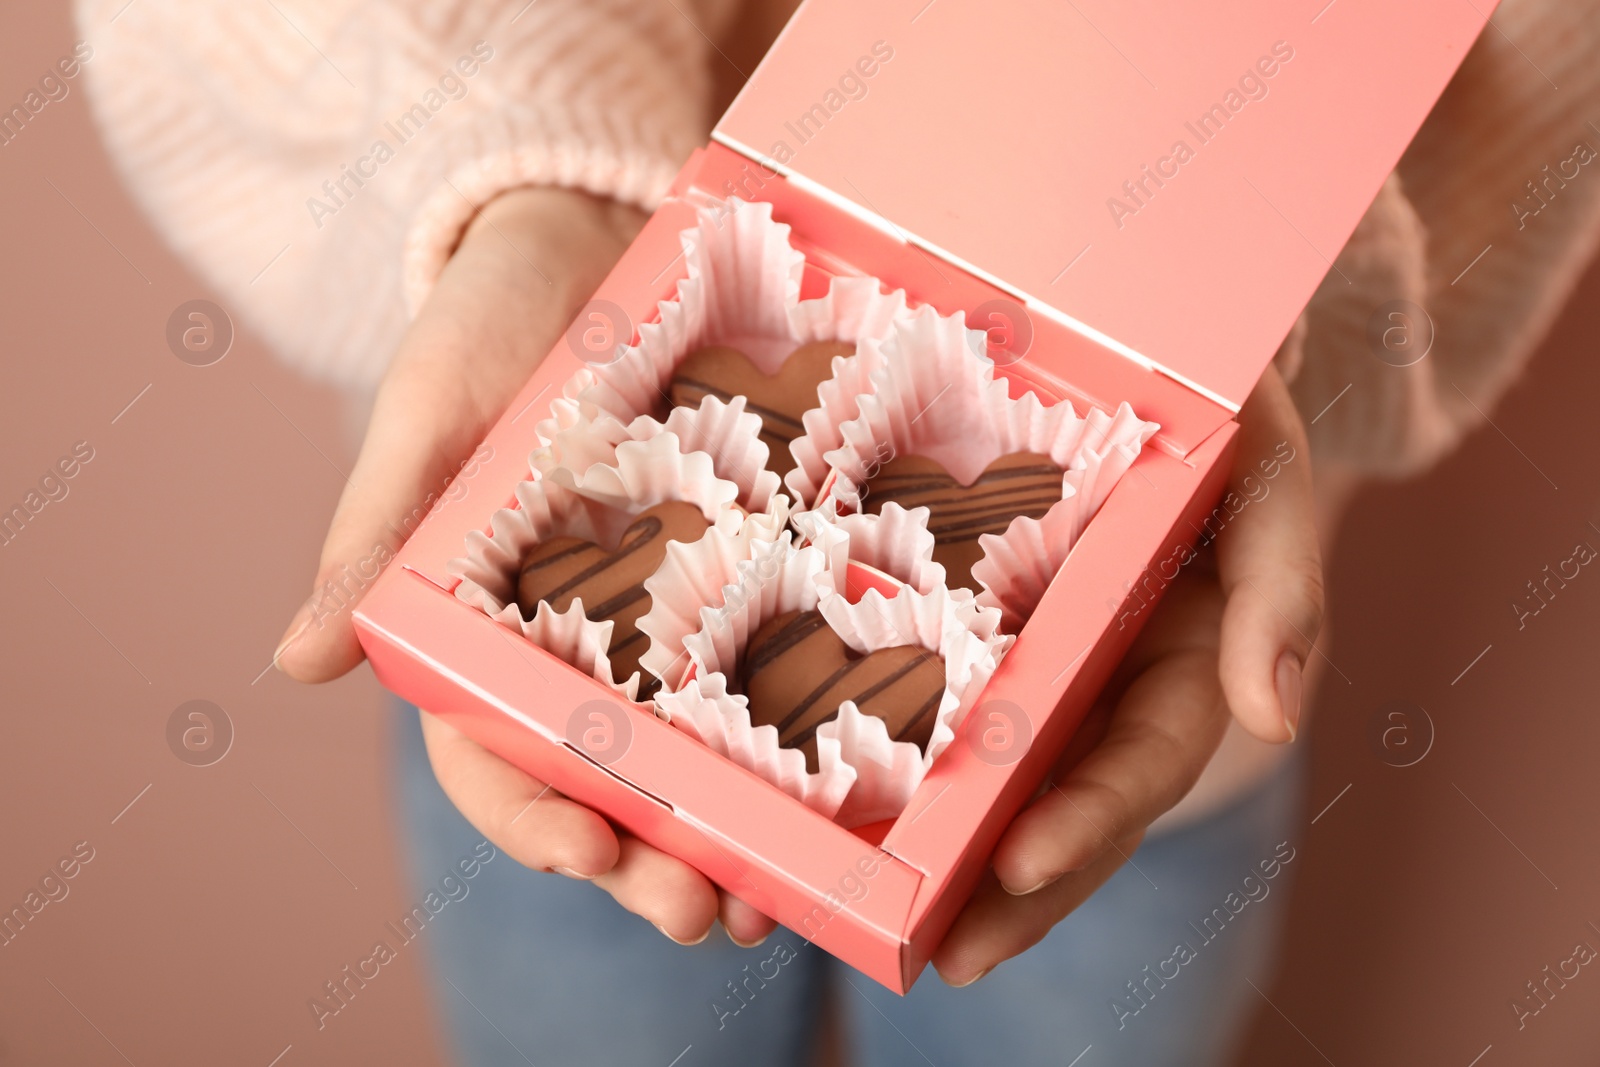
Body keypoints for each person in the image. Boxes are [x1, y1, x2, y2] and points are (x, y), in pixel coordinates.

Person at [76, 0, 1600, 1063]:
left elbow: (1514, 87)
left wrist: (1223, 288)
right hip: (545, 707)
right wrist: (528, 172)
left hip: (1129, 736)